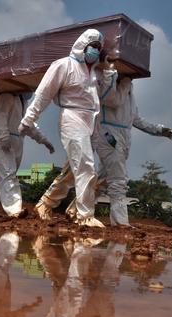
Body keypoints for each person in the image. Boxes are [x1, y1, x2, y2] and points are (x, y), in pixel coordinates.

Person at [36, 75, 172, 226]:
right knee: (81, 173)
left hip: (121, 138)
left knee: (103, 180)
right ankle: (46, 203)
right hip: (102, 132)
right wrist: (122, 83)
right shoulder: (105, 82)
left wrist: (159, 130)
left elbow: (135, 119)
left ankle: (76, 210)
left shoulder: (129, 92)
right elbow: (112, 101)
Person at [18, 29, 115, 228]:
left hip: (91, 121)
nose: (95, 51)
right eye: (93, 47)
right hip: (71, 117)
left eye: (99, 48)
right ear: (83, 45)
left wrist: (109, 70)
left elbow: (104, 99)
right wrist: (28, 119)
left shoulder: (95, 73)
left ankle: (45, 205)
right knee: (86, 166)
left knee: (76, 169)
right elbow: (43, 94)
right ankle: (85, 216)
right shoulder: (64, 65)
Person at [0, 87, 55, 218]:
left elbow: (30, 126)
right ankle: (14, 209)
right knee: (8, 175)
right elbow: (0, 116)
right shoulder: (7, 97)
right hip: (5, 141)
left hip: (18, 141)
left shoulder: (22, 102)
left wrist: (45, 141)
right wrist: (3, 137)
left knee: (5, 175)